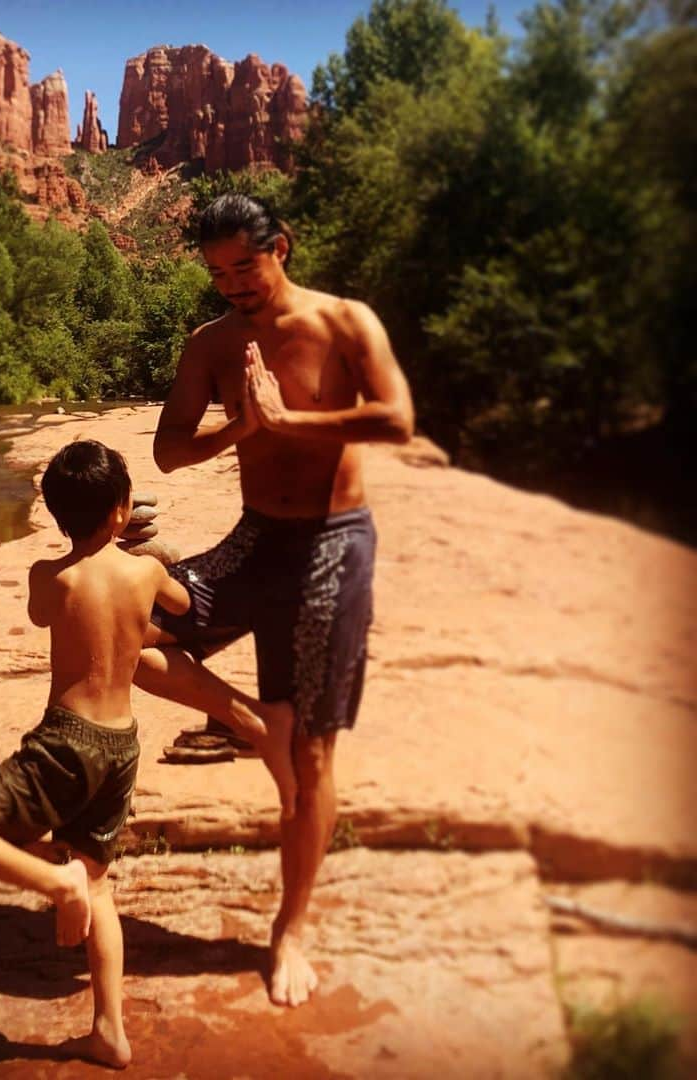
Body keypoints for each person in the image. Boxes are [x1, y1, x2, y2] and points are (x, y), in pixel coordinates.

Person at [134, 193, 415, 1009]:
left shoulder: (345, 322)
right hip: (257, 539)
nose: (232, 286)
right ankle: (250, 723)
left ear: (281, 247)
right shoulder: (212, 344)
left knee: (315, 755)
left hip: (333, 544)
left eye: (244, 267)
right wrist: (244, 430)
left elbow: (397, 419)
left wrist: (290, 421)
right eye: (217, 273)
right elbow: (168, 452)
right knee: (128, 627)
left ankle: (291, 926)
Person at [0, 439, 191, 1070]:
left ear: (53, 513)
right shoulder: (146, 573)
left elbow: (43, 614)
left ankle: (56, 879)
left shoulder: (49, 576)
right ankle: (109, 1032)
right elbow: (181, 605)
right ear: (124, 509)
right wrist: (147, 553)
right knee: (98, 887)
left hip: (64, 742)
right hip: (121, 746)